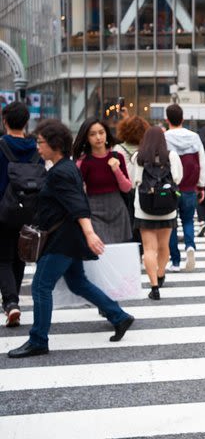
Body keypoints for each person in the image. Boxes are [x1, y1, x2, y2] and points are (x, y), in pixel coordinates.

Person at [7, 120, 135, 358]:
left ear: (55, 144)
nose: (37, 147)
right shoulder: (65, 167)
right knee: (78, 282)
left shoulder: (61, 172)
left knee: (41, 286)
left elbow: (77, 204)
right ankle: (118, 316)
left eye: (41, 142)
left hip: (62, 239)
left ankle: (38, 340)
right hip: (68, 236)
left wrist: (89, 233)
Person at [0, 102, 43, 327]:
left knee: (3, 259)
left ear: (5, 121)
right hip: (30, 210)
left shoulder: (1, 146)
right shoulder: (36, 148)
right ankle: (12, 303)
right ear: (27, 122)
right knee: (19, 256)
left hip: (3, 209)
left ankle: (10, 303)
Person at [133, 127, 183, 300]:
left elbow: (135, 182)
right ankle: (160, 275)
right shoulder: (171, 156)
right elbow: (178, 178)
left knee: (148, 248)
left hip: (144, 210)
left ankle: (154, 287)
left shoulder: (138, 157)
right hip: (167, 209)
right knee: (164, 246)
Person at [71, 118, 132, 244]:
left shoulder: (117, 157)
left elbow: (127, 188)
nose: (98, 137)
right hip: (94, 210)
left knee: (119, 252)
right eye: (92, 134)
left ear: (107, 134)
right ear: (86, 138)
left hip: (118, 209)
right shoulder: (84, 161)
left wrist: (116, 170)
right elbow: (76, 188)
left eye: (101, 132)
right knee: (100, 249)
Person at [164, 104, 205, 272]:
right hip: (190, 186)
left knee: (172, 223)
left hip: (170, 188)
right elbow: (201, 162)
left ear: (167, 119)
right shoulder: (194, 137)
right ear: (182, 119)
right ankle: (190, 246)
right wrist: (201, 185)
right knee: (188, 220)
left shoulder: (164, 138)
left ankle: (175, 261)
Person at [114, 113, 151, 247]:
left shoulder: (118, 149)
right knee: (141, 219)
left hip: (124, 189)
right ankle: (142, 246)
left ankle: (131, 246)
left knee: (128, 219)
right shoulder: (146, 149)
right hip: (142, 187)